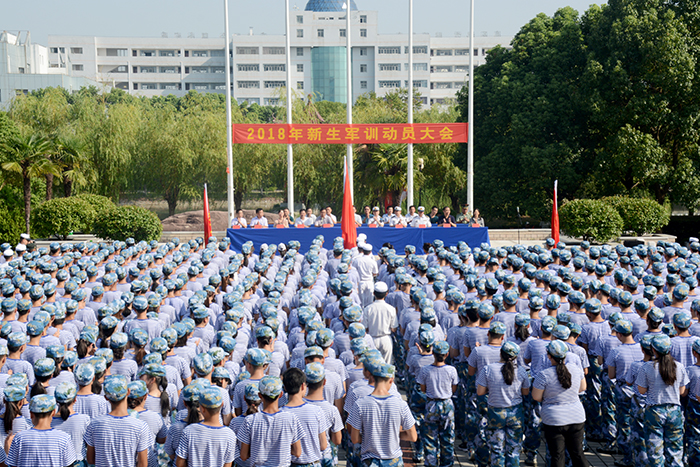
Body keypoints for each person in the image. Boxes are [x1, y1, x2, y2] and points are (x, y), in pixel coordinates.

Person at [347, 358, 417, 465]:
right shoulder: (400, 404)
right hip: (394, 461)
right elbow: (413, 436)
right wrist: (393, 435)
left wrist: (369, 437)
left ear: (373, 377)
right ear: (391, 380)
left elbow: (354, 438)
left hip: (370, 461)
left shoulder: (360, 404)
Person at [531, 340, 588, 467]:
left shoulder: (543, 375)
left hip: (554, 419)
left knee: (557, 455)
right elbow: (582, 388)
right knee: (578, 454)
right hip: (576, 417)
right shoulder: (576, 369)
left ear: (549, 356)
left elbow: (536, 397)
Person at [636, 334, 688, 466]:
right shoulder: (679, 366)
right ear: (670, 349)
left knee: (655, 450)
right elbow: (682, 392)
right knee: (675, 449)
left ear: (653, 350)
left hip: (654, 411)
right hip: (674, 411)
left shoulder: (647, 367)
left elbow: (641, 390)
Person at [476, 341, 530, 467]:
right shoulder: (521, 371)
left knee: (496, 449)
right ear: (516, 356)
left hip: (495, 412)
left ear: (501, 353)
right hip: (515, 413)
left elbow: (480, 392)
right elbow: (525, 392)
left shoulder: (488, 369)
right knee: (514, 450)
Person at [84, 375, 154, 467]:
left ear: (106, 397)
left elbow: (90, 459)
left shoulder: (94, 424)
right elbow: (143, 464)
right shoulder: (140, 426)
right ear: (128, 392)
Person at [238, 376, 304, 467]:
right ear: (281, 394)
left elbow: (243, 456)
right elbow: (297, 452)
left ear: (260, 395)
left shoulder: (250, 420)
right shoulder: (291, 419)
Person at [417, 341, 459, 467]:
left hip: (431, 405)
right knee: (447, 438)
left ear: (433, 354)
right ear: (447, 354)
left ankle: (431, 463)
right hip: (447, 404)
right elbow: (454, 388)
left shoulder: (425, 370)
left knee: (430, 439)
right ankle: (447, 464)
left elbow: (423, 389)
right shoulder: (451, 370)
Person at [7, 394, 77, 467]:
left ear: (31, 414)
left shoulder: (19, 437)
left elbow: (12, 465)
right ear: (53, 412)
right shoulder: (64, 438)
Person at [175, 387, 236, 467]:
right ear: (222, 404)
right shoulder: (230, 435)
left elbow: (179, 463)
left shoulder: (189, 431)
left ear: (202, 408)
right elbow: (228, 464)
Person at [281, 368, 329, 467]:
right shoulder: (317, 411)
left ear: (285, 388)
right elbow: (323, 445)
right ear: (303, 386)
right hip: (313, 463)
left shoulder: (280, 413)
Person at [362, 282, 398, 364]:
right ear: (387, 293)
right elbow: (394, 328)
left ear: (374, 293)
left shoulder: (368, 309)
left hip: (372, 339)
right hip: (386, 339)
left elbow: (365, 327)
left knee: (372, 365)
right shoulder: (391, 309)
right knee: (386, 365)